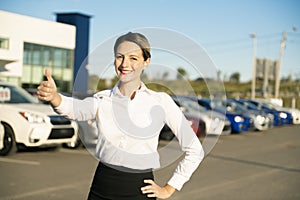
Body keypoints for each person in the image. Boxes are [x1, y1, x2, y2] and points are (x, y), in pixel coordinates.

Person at [37, 32, 204, 200]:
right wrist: (54, 97)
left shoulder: (161, 102)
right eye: (120, 57)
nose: (125, 64)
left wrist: (169, 188)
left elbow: (195, 150)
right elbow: (74, 109)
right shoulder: (102, 99)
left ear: (146, 61)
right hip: (102, 187)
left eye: (133, 58)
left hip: (140, 190)